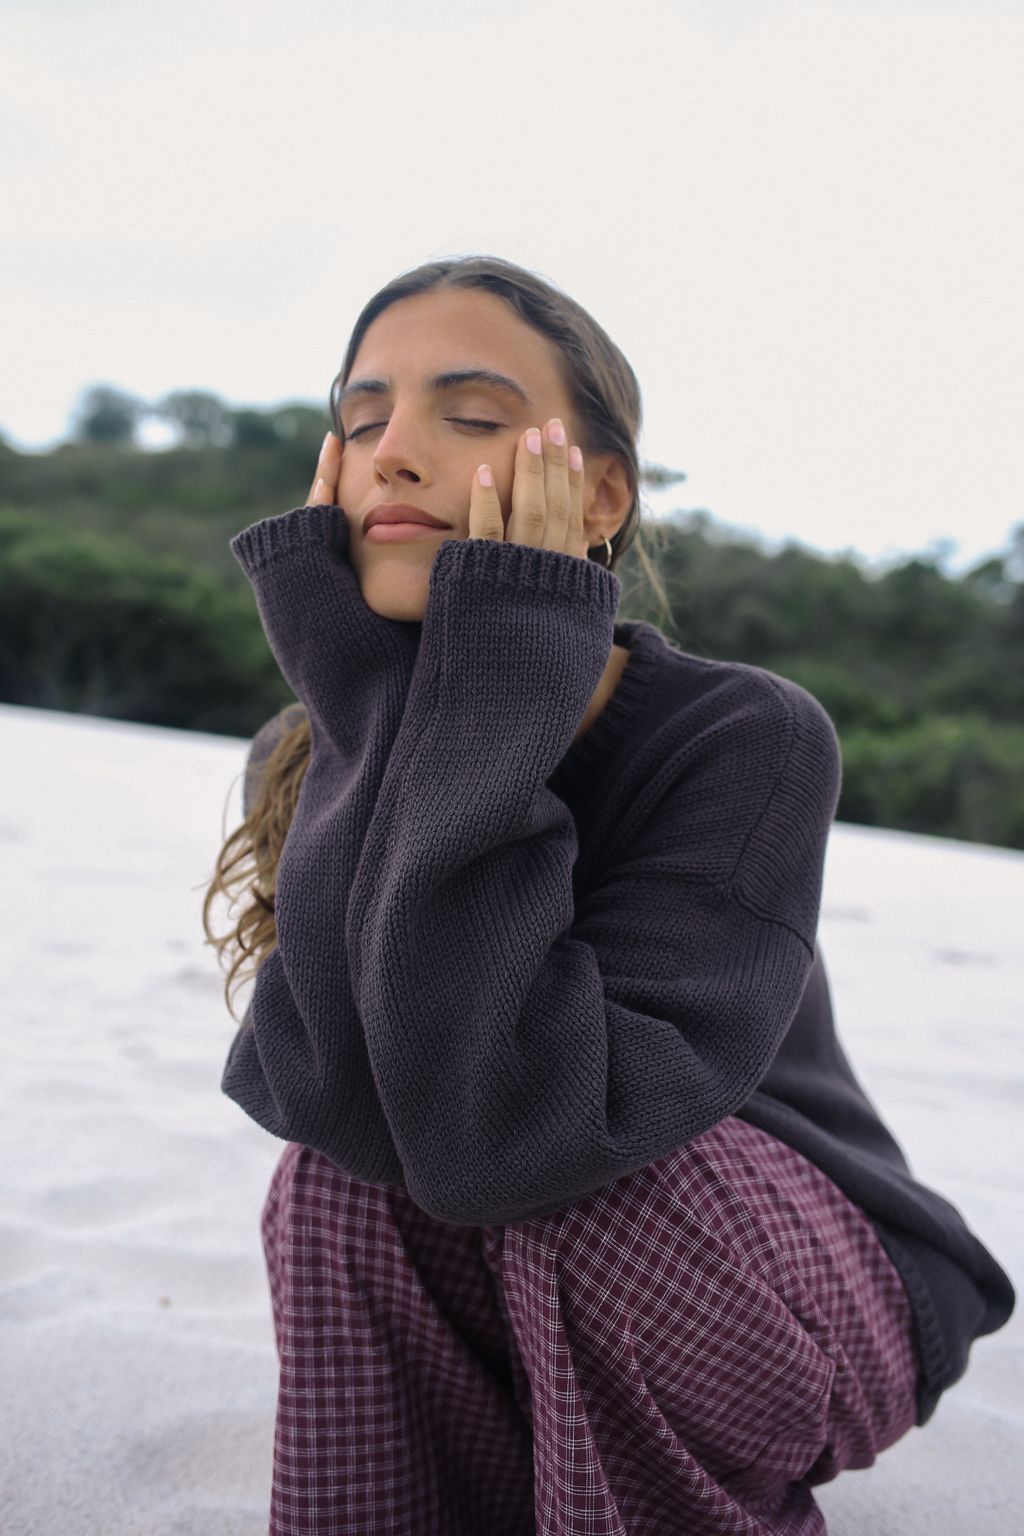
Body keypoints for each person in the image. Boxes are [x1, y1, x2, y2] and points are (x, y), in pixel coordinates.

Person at [203, 255, 1014, 1536]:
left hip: (800, 1272)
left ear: (598, 496)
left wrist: (500, 682)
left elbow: (545, 1133)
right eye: (361, 422)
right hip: (507, 1265)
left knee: (586, 1199)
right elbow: (320, 1092)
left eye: (470, 415)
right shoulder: (307, 751)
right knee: (337, 1181)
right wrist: (366, 707)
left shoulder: (743, 736)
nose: (394, 453)